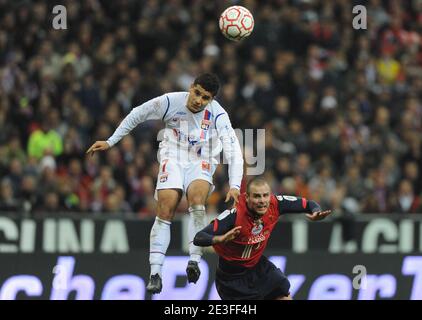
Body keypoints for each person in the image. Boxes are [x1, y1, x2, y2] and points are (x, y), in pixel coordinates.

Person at [86, 73, 244, 294]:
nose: (198, 100)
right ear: (191, 87)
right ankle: (156, 273)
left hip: (202, 160)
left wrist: (235, 184)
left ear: (212, 99)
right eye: (197, 93)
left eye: (205, 97)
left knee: (197, 200)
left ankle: (194, 261)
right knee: (166, 207)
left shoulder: (218, 114)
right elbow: (137, 114)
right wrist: (111, 141)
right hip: (173, 157)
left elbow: (233, 150)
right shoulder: (170, 101)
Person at [193, 176, 332, 300]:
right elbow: (199, 237)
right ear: (247, 197)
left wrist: (316, 212)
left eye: (265, 195)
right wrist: (220, 239)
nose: (262, 201)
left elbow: (309, 204)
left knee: (284, 296)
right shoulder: (234, 215)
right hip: (231, 279)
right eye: (257, 196)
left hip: (258, 268)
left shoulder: (275, 204)